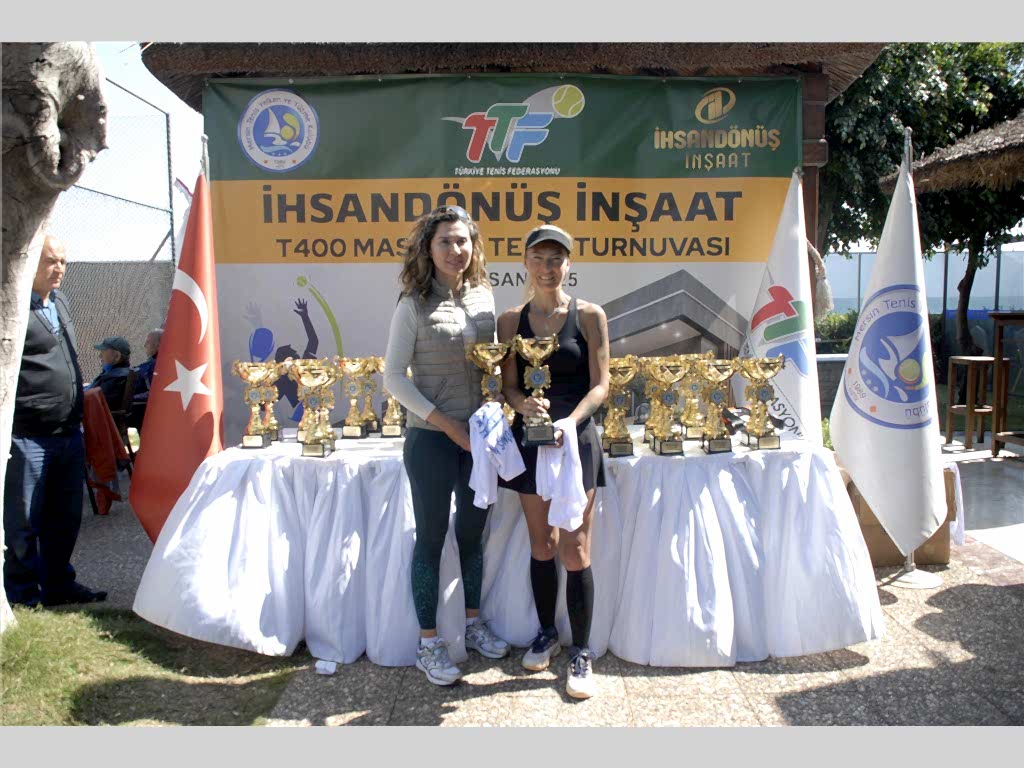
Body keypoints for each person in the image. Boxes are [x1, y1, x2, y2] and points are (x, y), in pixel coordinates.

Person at [383, 205, 510, 685]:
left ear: (474, 246)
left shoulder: (484, 298)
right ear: (428, 248)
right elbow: (394, 378)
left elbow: (490, 367)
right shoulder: (412, 304)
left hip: (480, 439)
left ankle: (473, 626)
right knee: (432, 538)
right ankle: (429, 643)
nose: (456, 250)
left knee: (473, 535)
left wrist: (499, 403)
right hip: (432, 441)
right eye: (445, 242)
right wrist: (448, 426)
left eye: (462, 241)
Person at [497, 224, 610, 700]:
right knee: (542, 544)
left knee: (575, 549)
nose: (548, 267)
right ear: (526, 263)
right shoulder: (509, 321)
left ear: (568, 264)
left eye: (556, 259)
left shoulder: (590, 315)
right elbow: (508, 385)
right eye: (539, 258)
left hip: (576, 440)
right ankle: (547, 633)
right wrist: (522, 405)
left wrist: (571, 421)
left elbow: (601, 384)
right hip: (529, 439)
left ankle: (581, 651)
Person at [4, 235, 107, 608]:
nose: (59, 268)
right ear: (30, 260)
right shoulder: (11, 306)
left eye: (63, 261)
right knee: (23, 521)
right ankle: (21, 595)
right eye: (50, 260)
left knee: (64, 519)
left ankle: (58, 584)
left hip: (67, 432)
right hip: (27, 434)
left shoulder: (60, 301)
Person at [88, 336, 132, 413]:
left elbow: (96, 405)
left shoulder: (115, 378)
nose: (100, 356)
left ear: (117, 356)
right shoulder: (119, 374)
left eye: (103, 352)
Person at [129, 328, 162, 430]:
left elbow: (153, 393)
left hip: (137, 412)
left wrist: (129, 399)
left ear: (159, 346)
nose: (144, 345)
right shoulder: (151, 364)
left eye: (148, 342)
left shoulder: (156, 366)